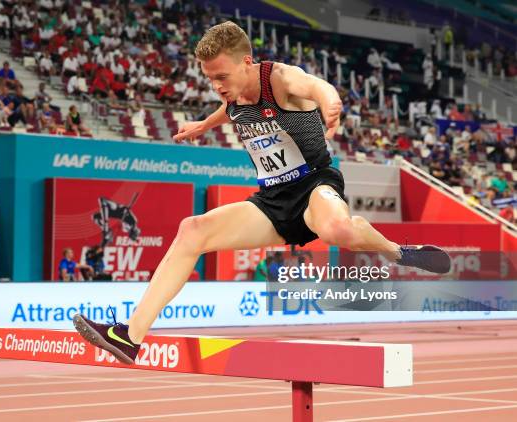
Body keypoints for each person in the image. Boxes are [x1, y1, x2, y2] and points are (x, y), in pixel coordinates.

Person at [72, 21, 451, 365]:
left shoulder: (280, 79)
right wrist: (203, 125)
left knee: (338, 230)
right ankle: (129, 337)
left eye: (222, 75)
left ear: (247, 62)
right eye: (210, 79)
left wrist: (329, 99)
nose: (217, 85)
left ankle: (401, 253)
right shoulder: (233, 93)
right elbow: (228, 109)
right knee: (192, 230)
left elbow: (313, 85)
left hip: (314, 185)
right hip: (272, 199)